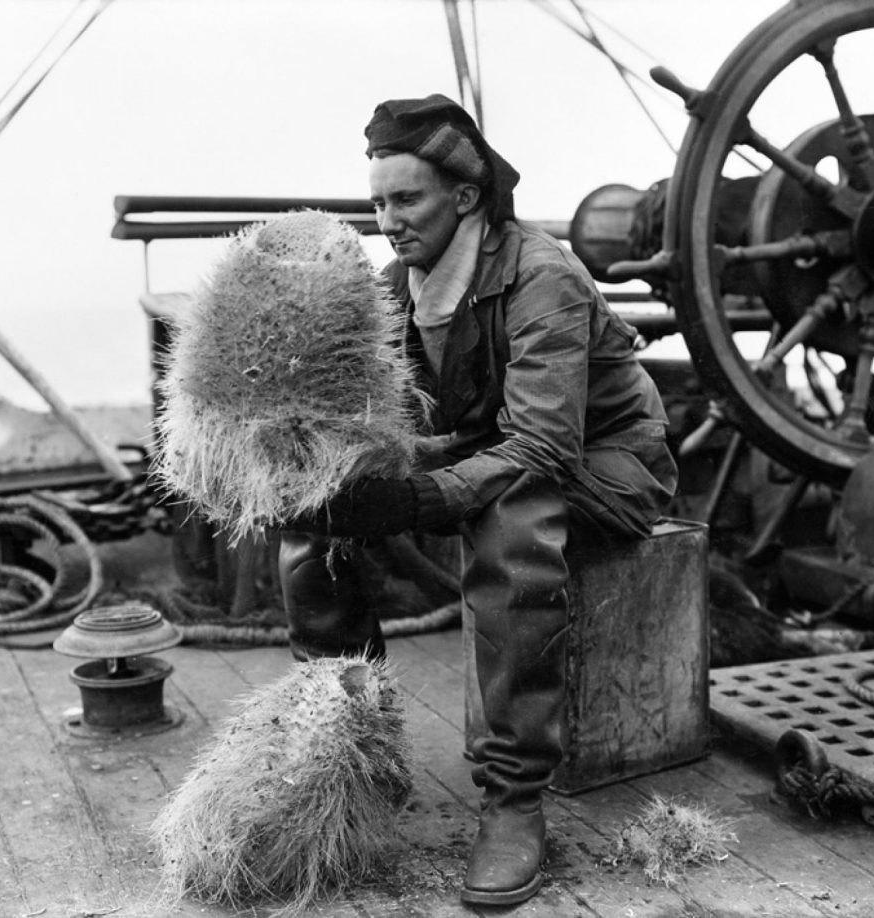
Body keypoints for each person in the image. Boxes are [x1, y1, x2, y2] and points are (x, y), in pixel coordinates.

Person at [282, 93, 678, 907]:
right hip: (495, 444)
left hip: (609, 463)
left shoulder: (542, 276)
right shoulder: (399, 286)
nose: (388, 222)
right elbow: (399, 417)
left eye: (406, 200)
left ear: (466, 197)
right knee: (316, 516)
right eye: (377, 203)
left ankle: (515, 799)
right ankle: (353, 752)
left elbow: (542, 448)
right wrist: (336, 477)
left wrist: (417, 499)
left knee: (511, 520)